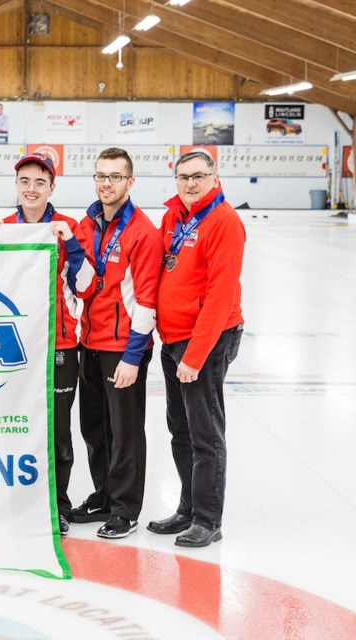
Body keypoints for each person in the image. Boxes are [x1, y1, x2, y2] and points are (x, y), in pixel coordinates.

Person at [0, 153, 95, 536]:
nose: (32, 189)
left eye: (40, 183)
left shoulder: (68, 227)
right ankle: (14, 503)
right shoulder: (4, 226)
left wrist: (73, 244)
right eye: (25, 181)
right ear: (16, 185)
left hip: (60, 345)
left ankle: (57, 506)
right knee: (12, 427)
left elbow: (86, 286)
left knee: (58, 435)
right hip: (12, 347)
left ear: (52, 188)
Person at [148, 150, 245, 548]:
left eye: (199, 176)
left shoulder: (224, 222)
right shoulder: (174, 217)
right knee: (180, 430)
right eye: (183, 176)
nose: (191, 183)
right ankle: (187, 509)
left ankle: (208, 519)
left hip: (205, 340)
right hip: (173, 340)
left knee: (205, 432)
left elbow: (220, 296)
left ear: (214, 177)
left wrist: (195, 355)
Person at [71, 147, 162, 539]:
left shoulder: (143, 231)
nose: (106, 183)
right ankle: (104, 496)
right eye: (100, 176)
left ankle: (125, 509)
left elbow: (147, 300)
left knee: (125, 432)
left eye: (115, 176)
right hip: (89, 342)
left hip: (123, 347)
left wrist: (133, 355)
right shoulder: (86, 223)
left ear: (130, 181)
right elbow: (82, 279)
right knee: (95, 428)